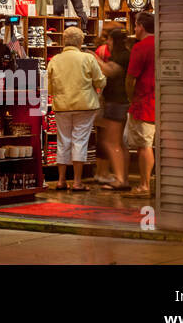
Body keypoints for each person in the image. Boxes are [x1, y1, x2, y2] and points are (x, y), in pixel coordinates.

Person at [47, 26, 106, 192]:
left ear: (64, 41)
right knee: (79, 141)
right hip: (85, 105)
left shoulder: (55, 60)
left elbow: (50, 89)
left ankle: (60, 180)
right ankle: (78, 181)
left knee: (62, 141)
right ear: (80, 42)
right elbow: (99, 81)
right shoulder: (87, 58)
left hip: (61, 105)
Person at [93, 27, 132, 190]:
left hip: (115, 103)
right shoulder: (125, 54)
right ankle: (123, 177)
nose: (107, 42)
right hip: (120, 103)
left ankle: (120, 180)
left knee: (111, 142)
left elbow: (109, 71)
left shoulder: (122, 57)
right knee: (119, 144)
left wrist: (94, 58)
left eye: (109, 39)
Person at [124, 12, 158, 196]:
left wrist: (131, 98)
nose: (135, 30)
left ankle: (144, 185)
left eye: (136, 26)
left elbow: (130, 79)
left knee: (144, 145)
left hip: (143, 103)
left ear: (141, 27)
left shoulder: (140, 48)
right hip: (161, 102)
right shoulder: (162, 45)